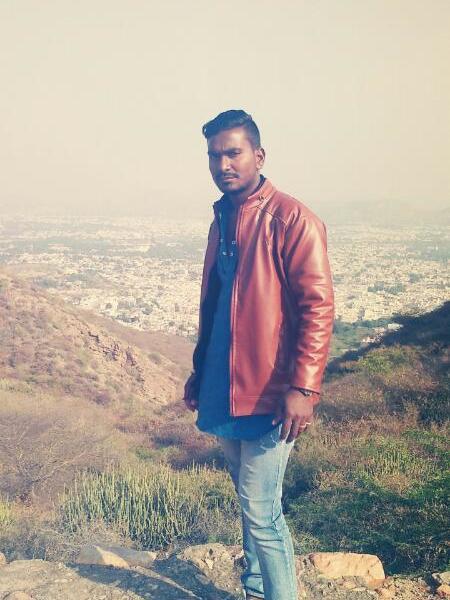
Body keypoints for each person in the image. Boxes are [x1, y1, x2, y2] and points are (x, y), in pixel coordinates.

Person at [183, 109, 334, 600]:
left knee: (262, 510)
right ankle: (253, 589)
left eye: (233, 153)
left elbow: (318, 308)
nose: (223, 164)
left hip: (271, 391)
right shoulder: (223, 218)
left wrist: (304, 387)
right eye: (214, 155)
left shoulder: (291, 219)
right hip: (224, 386)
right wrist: (199, 372)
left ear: (259, 156)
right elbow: (217, 304)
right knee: (248, 504)